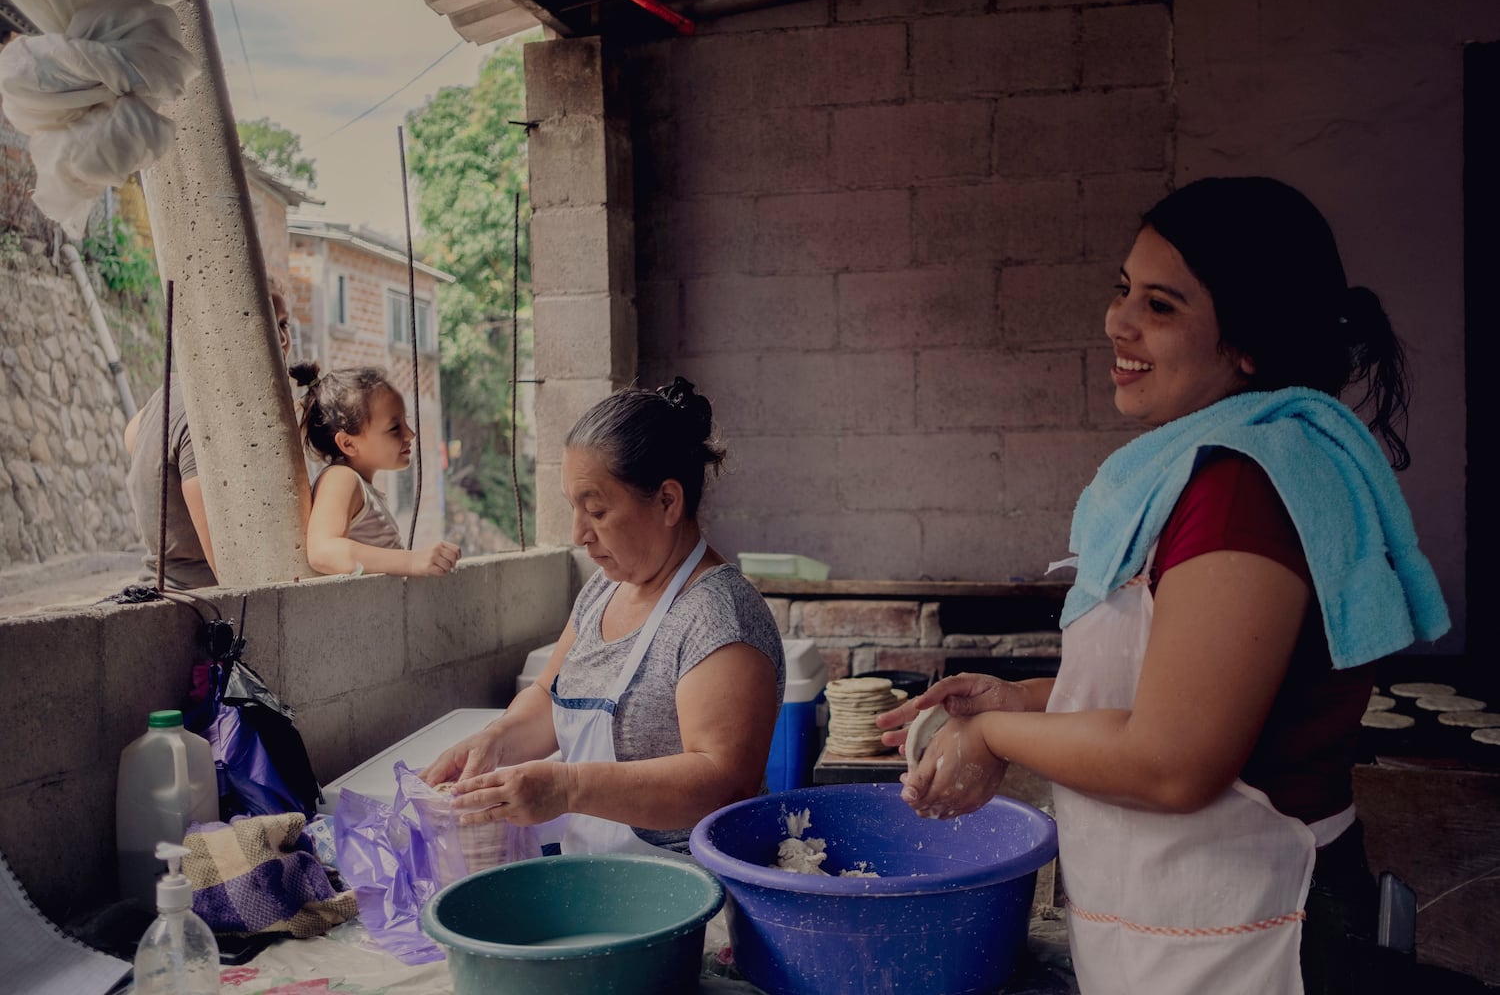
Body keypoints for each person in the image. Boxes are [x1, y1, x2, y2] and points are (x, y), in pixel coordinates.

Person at [877, 177, 1450, 995]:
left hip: (1256, 938)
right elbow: (1181, 690)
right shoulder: (1203, 473)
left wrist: (995, 740)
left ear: (1249, 342)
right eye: (1122, 290)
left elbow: (1176, 760)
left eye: (1162, 304)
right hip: (1184, 930)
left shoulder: (1243, 492)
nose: (1119, 320)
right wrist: (1022, 700)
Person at [421, 377, 786, 859]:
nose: (578, 534)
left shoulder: (720, 618)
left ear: (668, 501)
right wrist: (493, 743)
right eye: (573, 508)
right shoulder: (603, 589)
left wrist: (569, 787)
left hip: (697, 898)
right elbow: (548, 698)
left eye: (596, 510)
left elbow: (722, 782)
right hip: (600, 885)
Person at [124, 287, 293, 590]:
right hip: (196, 600)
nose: (282, 338)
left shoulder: (169, 392)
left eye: (284, 324)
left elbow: (133, 437)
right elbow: (221, 554)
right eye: (268, 323)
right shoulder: (205, 414)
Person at [289, 362, 460, 578]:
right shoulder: (340, 478)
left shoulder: (359, 484)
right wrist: (413, 560)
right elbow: (323, 552)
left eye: (405, 421)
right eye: (394, 427)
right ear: (348, 444)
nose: (410, 434)